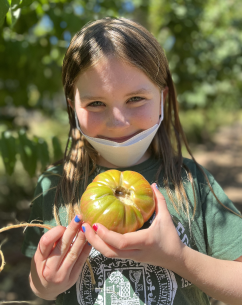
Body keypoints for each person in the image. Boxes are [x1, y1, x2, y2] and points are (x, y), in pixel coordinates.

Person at [22, 17, 242, 305]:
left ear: (162, 98)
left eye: (136, 98)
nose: (118, 121)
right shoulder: (53, 188)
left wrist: (179, 258)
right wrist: (46, 284)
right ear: (72, 106)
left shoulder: (192, 182)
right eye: (96, 103)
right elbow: (39, 283)